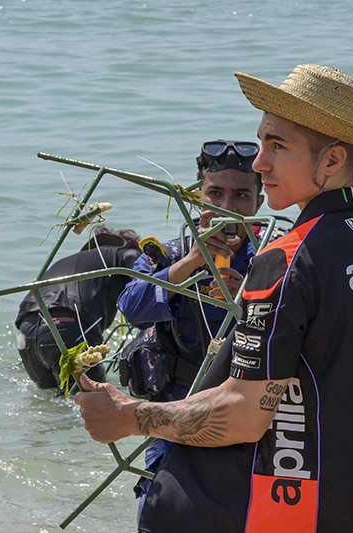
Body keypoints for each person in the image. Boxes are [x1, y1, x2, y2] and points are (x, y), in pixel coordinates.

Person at [75, 64, 353, 532]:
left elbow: (244, 415)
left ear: (331, 160)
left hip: (313, 514)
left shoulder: (288, 258)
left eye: (278, 146)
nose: (259, 164)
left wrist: (130, 417)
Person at [116, 139, 265, 515]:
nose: (227, 208)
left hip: (246, 422)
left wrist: (248, 302)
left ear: (259, 204)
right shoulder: (169, 254)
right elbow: (130, 307)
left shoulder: (273, 259)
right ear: (197, 197)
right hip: (173, 415)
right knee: (161, 512)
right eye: (215, 193)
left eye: (241, 196)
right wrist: (189, 266)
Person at [15, 225, 141, 392]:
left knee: (58, 404)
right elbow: (135, 258)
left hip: (27, 332)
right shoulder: (120, 254)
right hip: (66, 325)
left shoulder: (71, 262)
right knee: (98, 403)